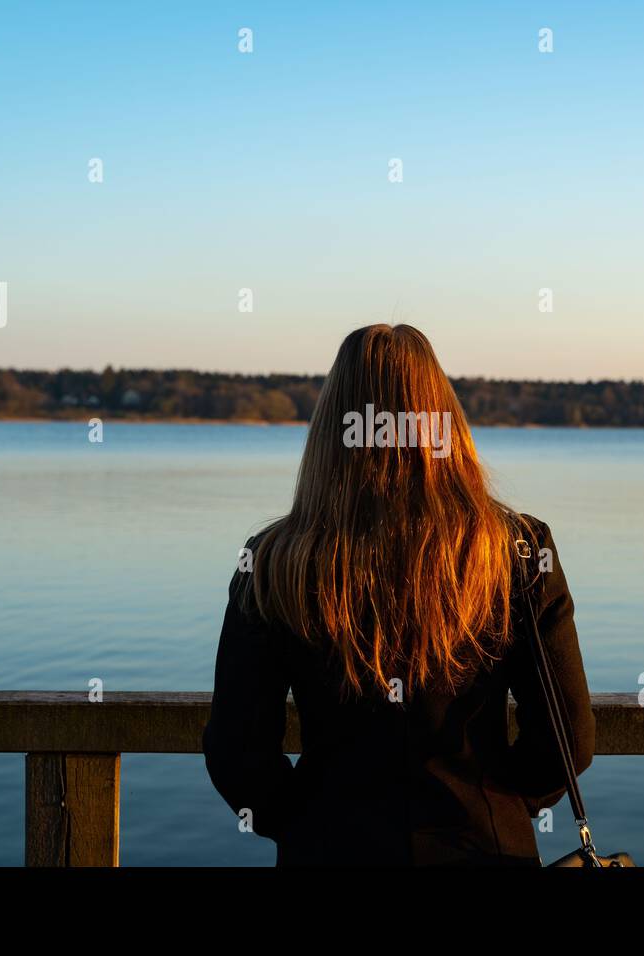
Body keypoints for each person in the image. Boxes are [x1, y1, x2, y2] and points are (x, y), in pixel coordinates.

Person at [202, 323, 595, 865]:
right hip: (487, 848)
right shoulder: (520, 550)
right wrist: (498, 803)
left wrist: (303, 819)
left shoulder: (271, 562)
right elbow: (566, 742)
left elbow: (237, 756)